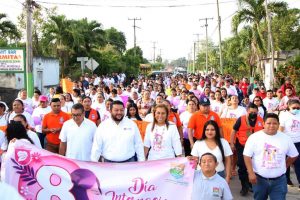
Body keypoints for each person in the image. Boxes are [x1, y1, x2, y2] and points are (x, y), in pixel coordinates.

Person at [243, 113, 299, 200]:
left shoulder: (286, 138)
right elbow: (247, 156)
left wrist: (284, 165)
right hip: (259, 179)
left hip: (279, 181)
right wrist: (251, 173)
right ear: (263, 124)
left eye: (275, 123)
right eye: (269, 123)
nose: (271, 126)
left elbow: (294, 155)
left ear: (278, 124)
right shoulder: (254, 137)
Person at [230, 103, 264, 196]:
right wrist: (232, 143)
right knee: (242, 165)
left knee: (254, 166)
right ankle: (244, 186)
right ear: (247, 111)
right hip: (242, 145)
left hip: (256, 147)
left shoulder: (261, 120)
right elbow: (234, 131)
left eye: (255, 112)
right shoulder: (241, 119)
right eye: (251, 112)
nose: (253, 113)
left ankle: (250, 184)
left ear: (258, 112)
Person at [279, 99, 300, 187]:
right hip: (287, 142)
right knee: (285, 162)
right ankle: (287, 180)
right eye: (294, 107)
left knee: (298, 163)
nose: (296, 109)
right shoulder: (284, 115)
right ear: (289, 107)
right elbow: (281, 129)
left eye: (298, 107)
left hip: (298, 142)